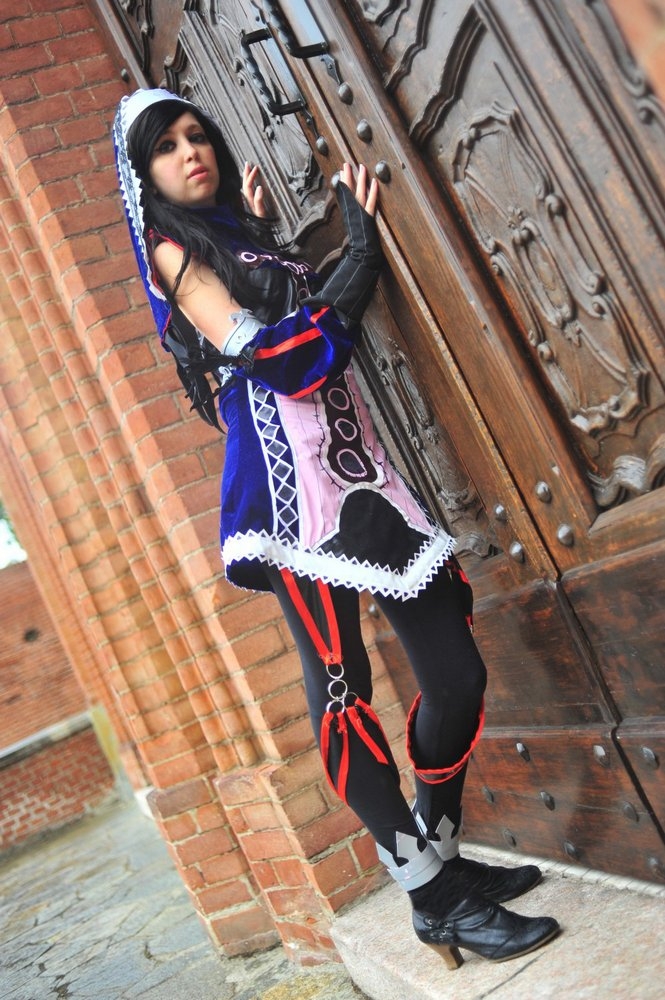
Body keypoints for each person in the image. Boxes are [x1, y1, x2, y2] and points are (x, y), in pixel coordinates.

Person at [113, 87, 559, 969]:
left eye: (198, 134)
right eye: (165, 146)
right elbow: (288, 362)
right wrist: (357, 252)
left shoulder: (233, 234)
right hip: (288, 498)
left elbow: (294, 319)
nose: (190, 152)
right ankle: (430, 896)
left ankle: (440, 852)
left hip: (358, 469)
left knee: (455, 671)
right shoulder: (172, 252)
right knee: (342, 687)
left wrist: (267, 240)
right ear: (143, 175)